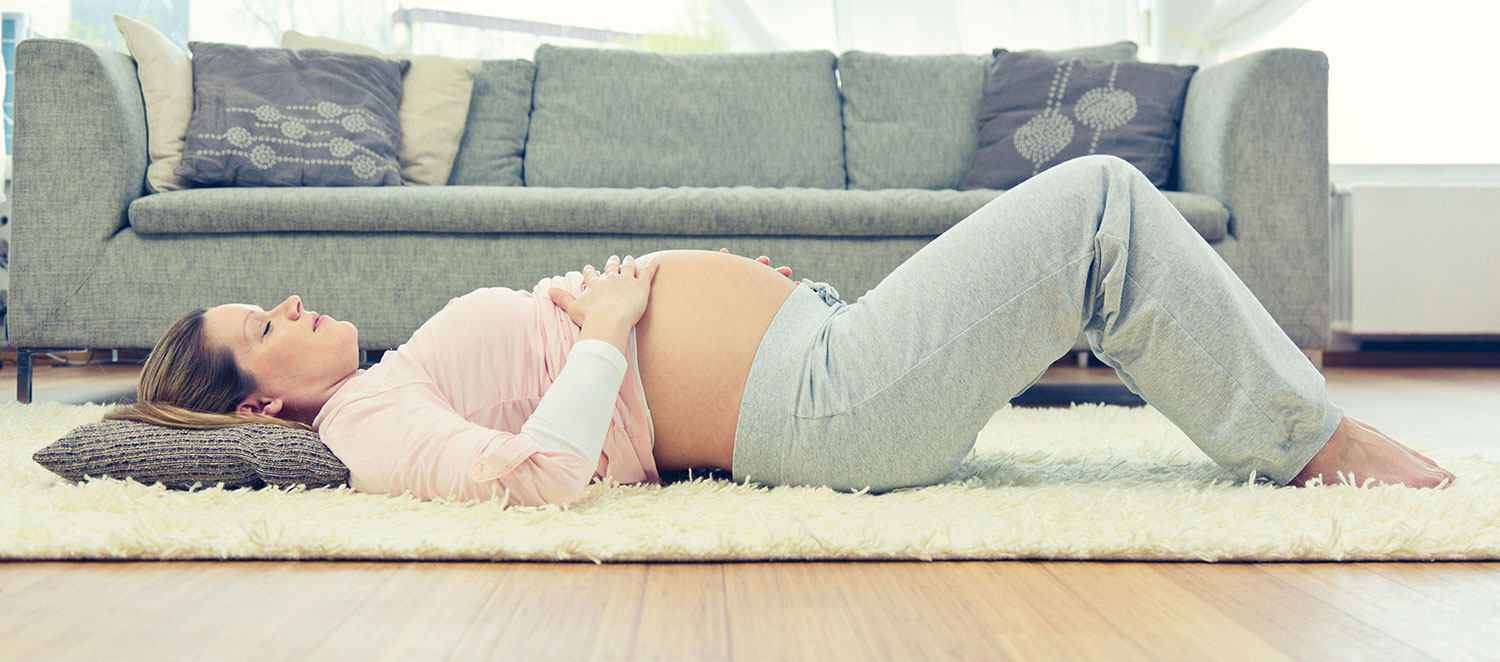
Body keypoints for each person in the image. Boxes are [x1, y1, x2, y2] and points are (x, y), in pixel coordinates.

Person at [102, 155, 1455, 507]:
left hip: (817, 356)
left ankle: (1290, 421)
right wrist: (623, 318)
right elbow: (537, 478)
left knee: (1086, 230)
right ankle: (1314, 438)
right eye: (258, 325)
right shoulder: (367, 421)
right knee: (1097, 209)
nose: (286, 304)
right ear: (261, 406)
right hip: (821, 410)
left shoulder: (382, 380)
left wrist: (717, 298)